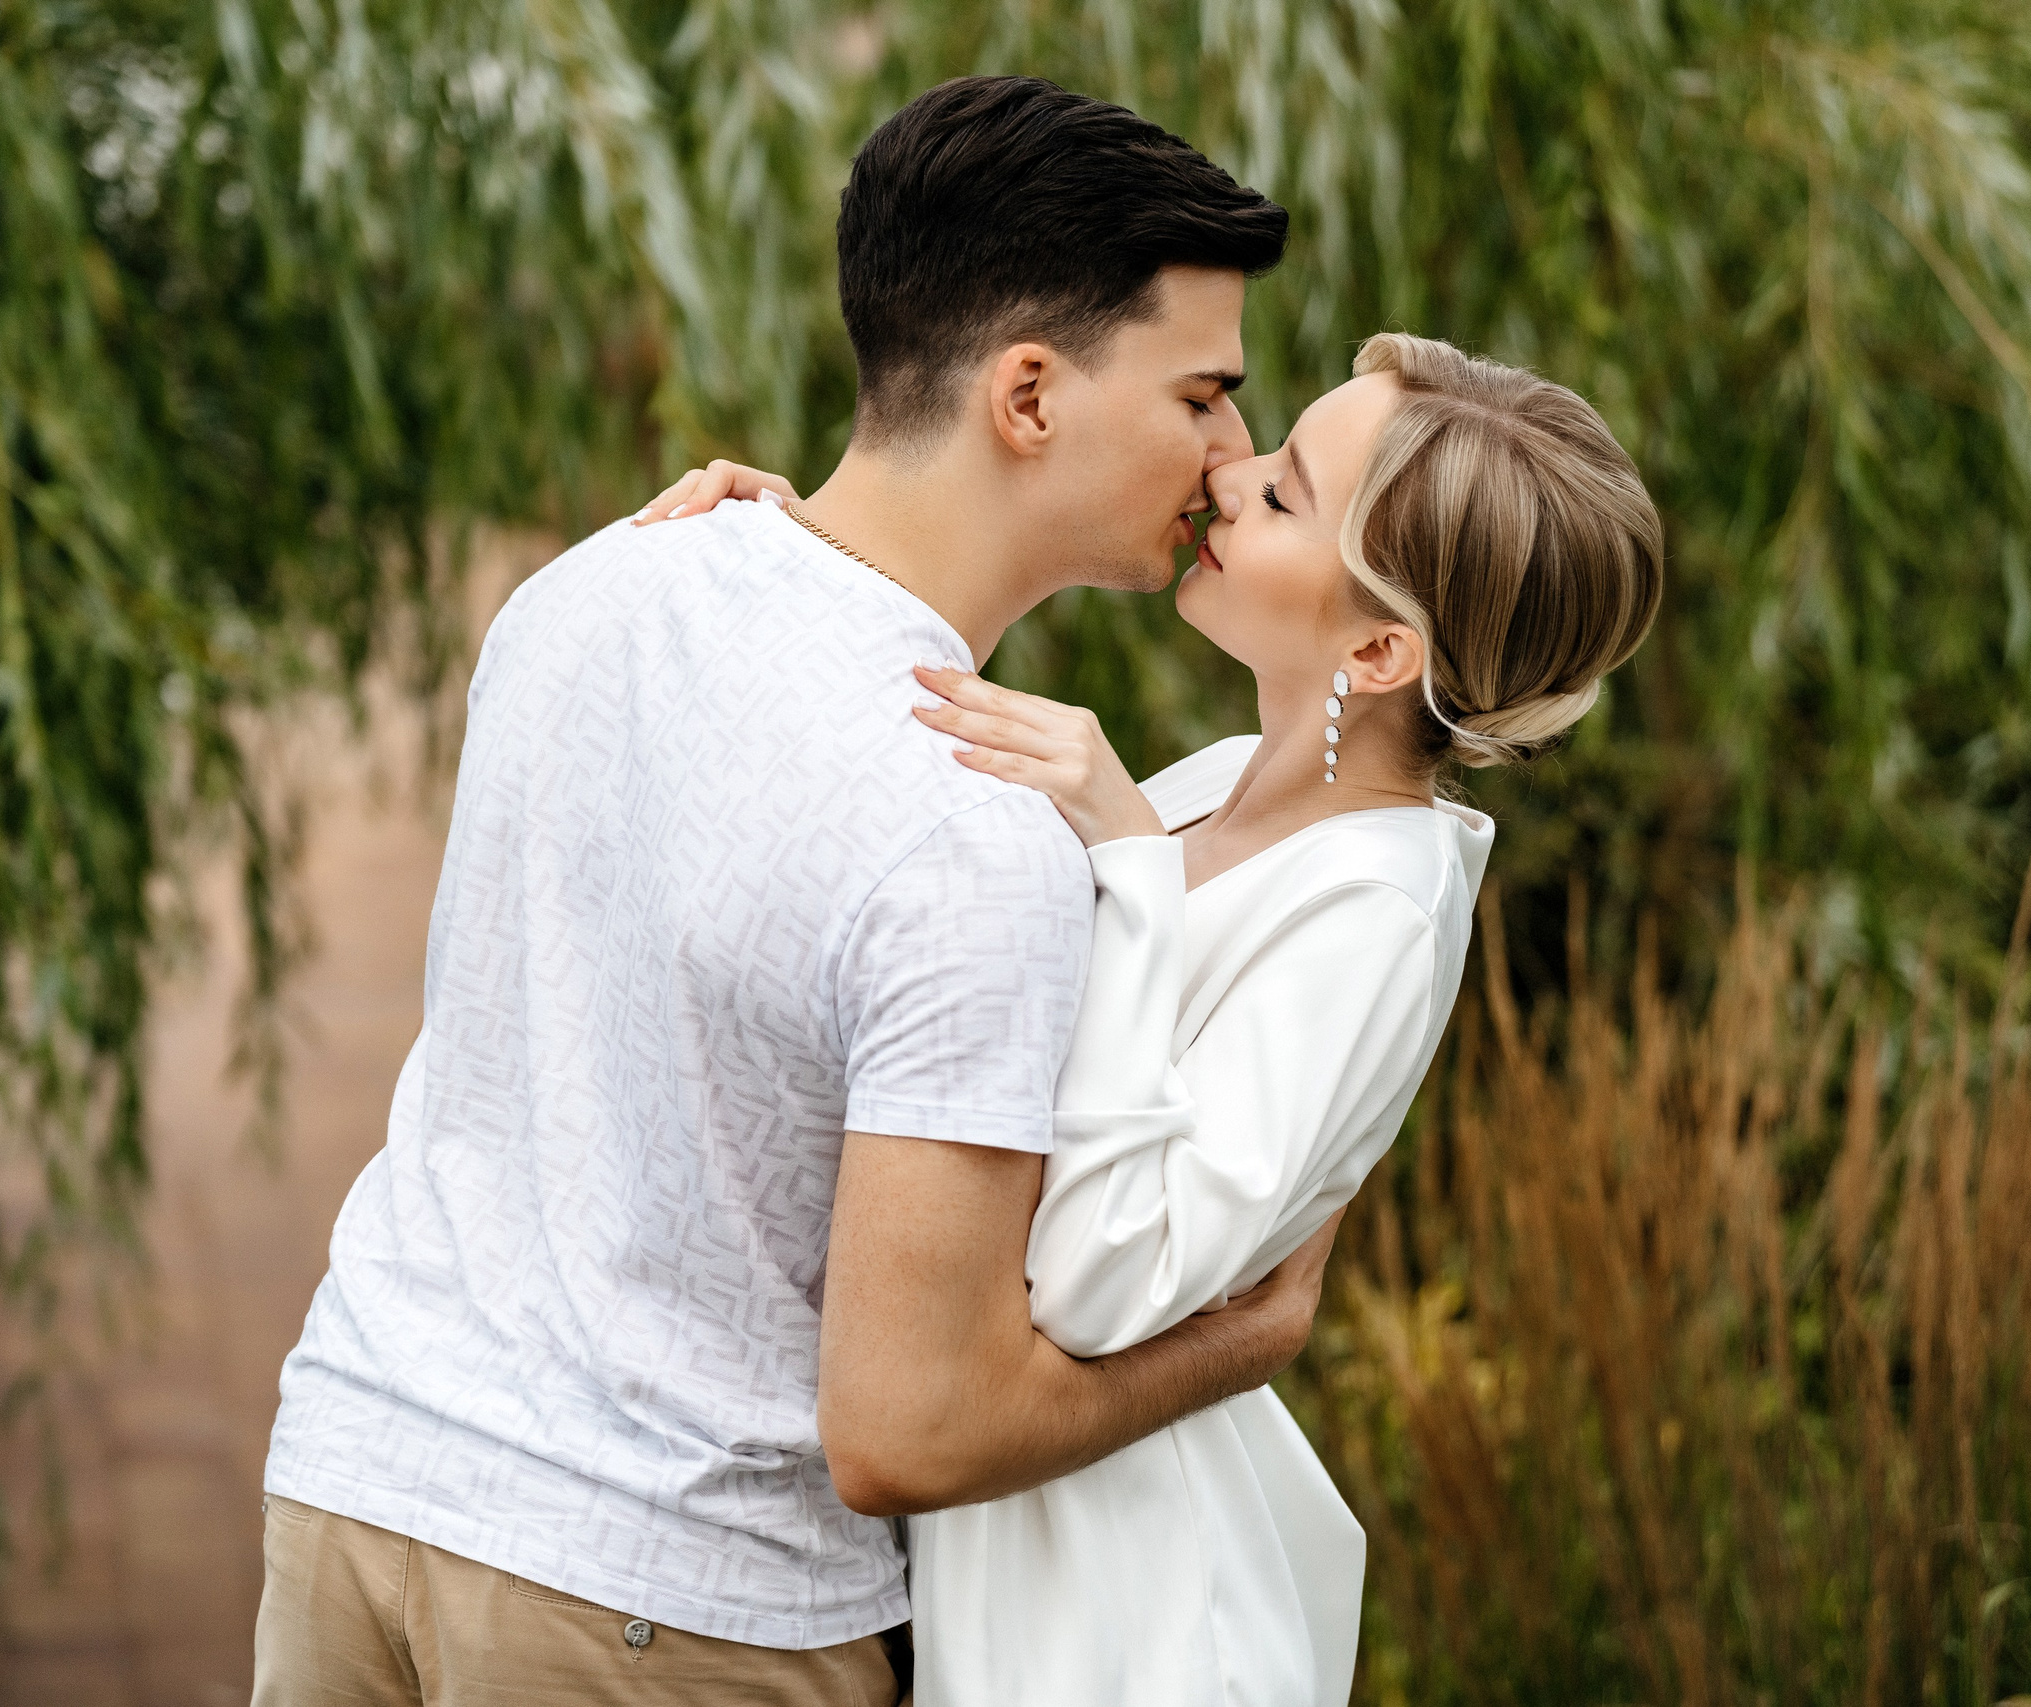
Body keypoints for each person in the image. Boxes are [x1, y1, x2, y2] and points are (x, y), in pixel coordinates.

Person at [251, 76, 1324, 1707]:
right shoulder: (968, 830)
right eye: (1203, 396)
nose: (1234, 453)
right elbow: (907, 1430)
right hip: (661, 1610)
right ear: (1027, 395)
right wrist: (1239, 1343)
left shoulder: (590, 586)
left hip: (354, 1489)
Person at [646, 329, 1664, 1703]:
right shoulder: (1223, 781)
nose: (1232, 473)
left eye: (1289, 493)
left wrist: (1127, 861)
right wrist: (795, 567)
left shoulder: (1376, 912)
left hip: (1121, 1632)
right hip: (973, 1562)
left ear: (1375, 646)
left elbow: (1099, 1279)